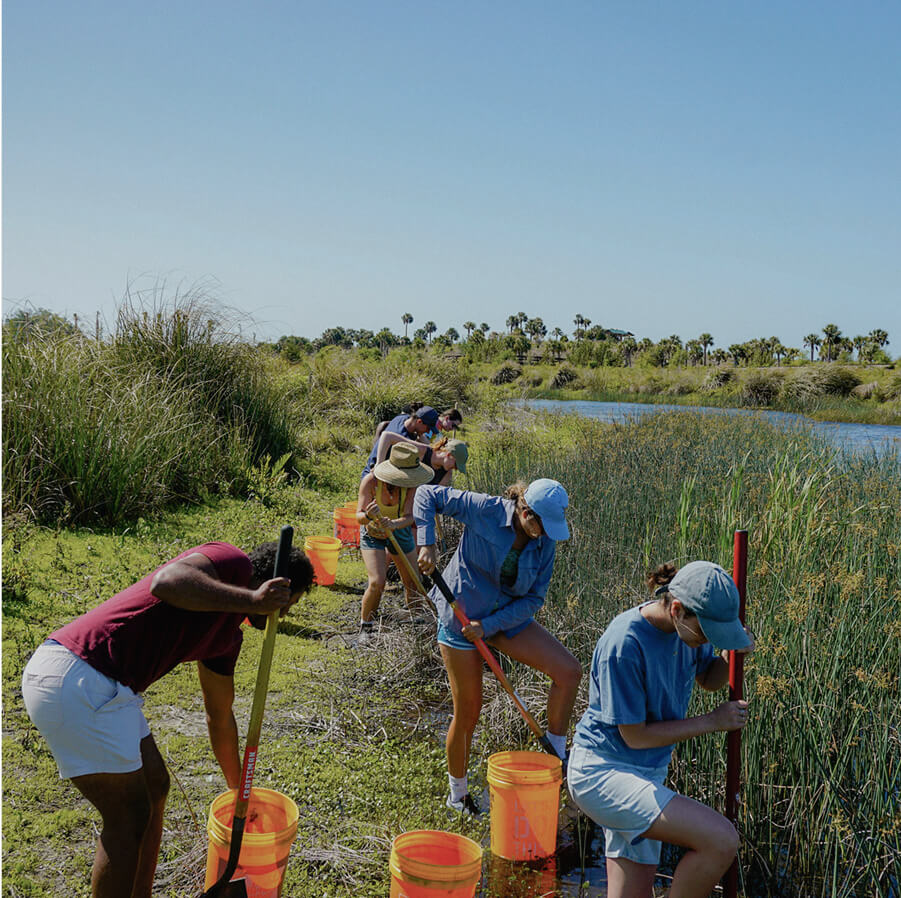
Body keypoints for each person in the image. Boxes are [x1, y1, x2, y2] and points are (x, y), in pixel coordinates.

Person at [20, 540, 315, 898]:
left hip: (110, 689)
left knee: (155, 786)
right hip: (79, 675)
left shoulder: (225, 640)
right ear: (272, 587)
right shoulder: (232, 563)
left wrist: (241, 792)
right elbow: (167, 581)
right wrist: (252, 601)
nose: (281, 616)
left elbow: (219, 717)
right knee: (128, 817)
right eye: (287, 604)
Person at [567, 561, 755, 898]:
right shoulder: (624, 643)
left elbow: (708, 679)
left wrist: (730, 655)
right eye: (707, 631)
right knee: (721, 840)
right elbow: (634, 736)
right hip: (602, 773)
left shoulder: (686, 633)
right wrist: (712, 722)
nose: (707, 640)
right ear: (678, 610)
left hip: (647, 773)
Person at [415, 479, 582, 815]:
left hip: (503, 619)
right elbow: (426, 494)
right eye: (539, 525)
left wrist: (489, 627)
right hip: (461, 617)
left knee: (569, 671)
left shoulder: (545, 541)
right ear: (524, 511)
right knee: (468, 711)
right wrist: (427, 544)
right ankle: (458, 796)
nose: (543, 534)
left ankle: (556, 758)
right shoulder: (486, 509)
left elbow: (535, 597)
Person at [357, 442, 435, 643]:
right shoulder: (371, 482)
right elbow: (359, 517)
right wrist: (368, 515)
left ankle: (417, 624)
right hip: (372, 532)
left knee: (412, 581)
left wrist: (392, 523)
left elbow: (410, 517)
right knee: (377, 582)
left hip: (398, 531)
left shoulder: (411, 488)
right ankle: (366, 628)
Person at [362, 406, 439, 478]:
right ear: (419, 421)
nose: (428, 431)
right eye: (428, 428)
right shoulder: (402, 439)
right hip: (374, 476)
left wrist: (422, 436)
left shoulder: (402, 418)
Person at [376, 429, 469, 487]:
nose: (455, 468)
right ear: (449, 455)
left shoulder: (447, 474)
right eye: (455, 465)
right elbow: (387, 436)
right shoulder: (422, 451)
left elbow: (435, 496)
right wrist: (378, 466)